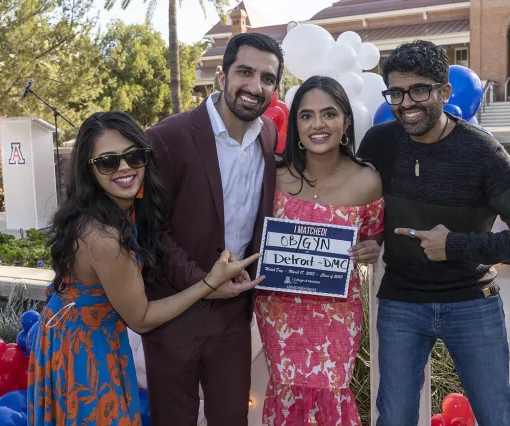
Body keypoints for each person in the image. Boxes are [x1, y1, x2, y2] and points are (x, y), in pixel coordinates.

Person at [356, 40, 510, 425]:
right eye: (396, 92)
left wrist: (458, 245)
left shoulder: (482, 151)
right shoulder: (379, 143)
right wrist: (373, 239)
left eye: (419, 90)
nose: (406, 103)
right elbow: (367, 207)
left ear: (444, 92)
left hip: (472, 303)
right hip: (401, 304)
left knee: (498, 416)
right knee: (394, 419)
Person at [27, 111, 261, 425]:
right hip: (83, 347)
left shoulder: (121, 207)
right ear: (89, 169)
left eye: (133, 156)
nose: (124, 168)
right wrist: (208, 285)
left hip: (84, 333)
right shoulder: (105, 238)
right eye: (108, 162)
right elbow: (142, 318)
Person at [141, 32, 283, 426]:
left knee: (231, 418)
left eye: (267, 79)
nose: (255, 87)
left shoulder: (269, 137)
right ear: (222, 77)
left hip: (234, 319)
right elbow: (152, 231)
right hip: (175, 313)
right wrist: (204, 282)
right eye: (245, 72)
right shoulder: (167, 137)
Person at [254, 76, 384, 425]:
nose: (318, 124)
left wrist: (372, 248)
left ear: (346, 122)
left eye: (329, 114)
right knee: (286, 389)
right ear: (295, 124)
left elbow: (374, 235)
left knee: (332, 391)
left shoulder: (368, 181)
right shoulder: (273, 174)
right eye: (306, 116)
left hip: (337, 313)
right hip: (279, 310)